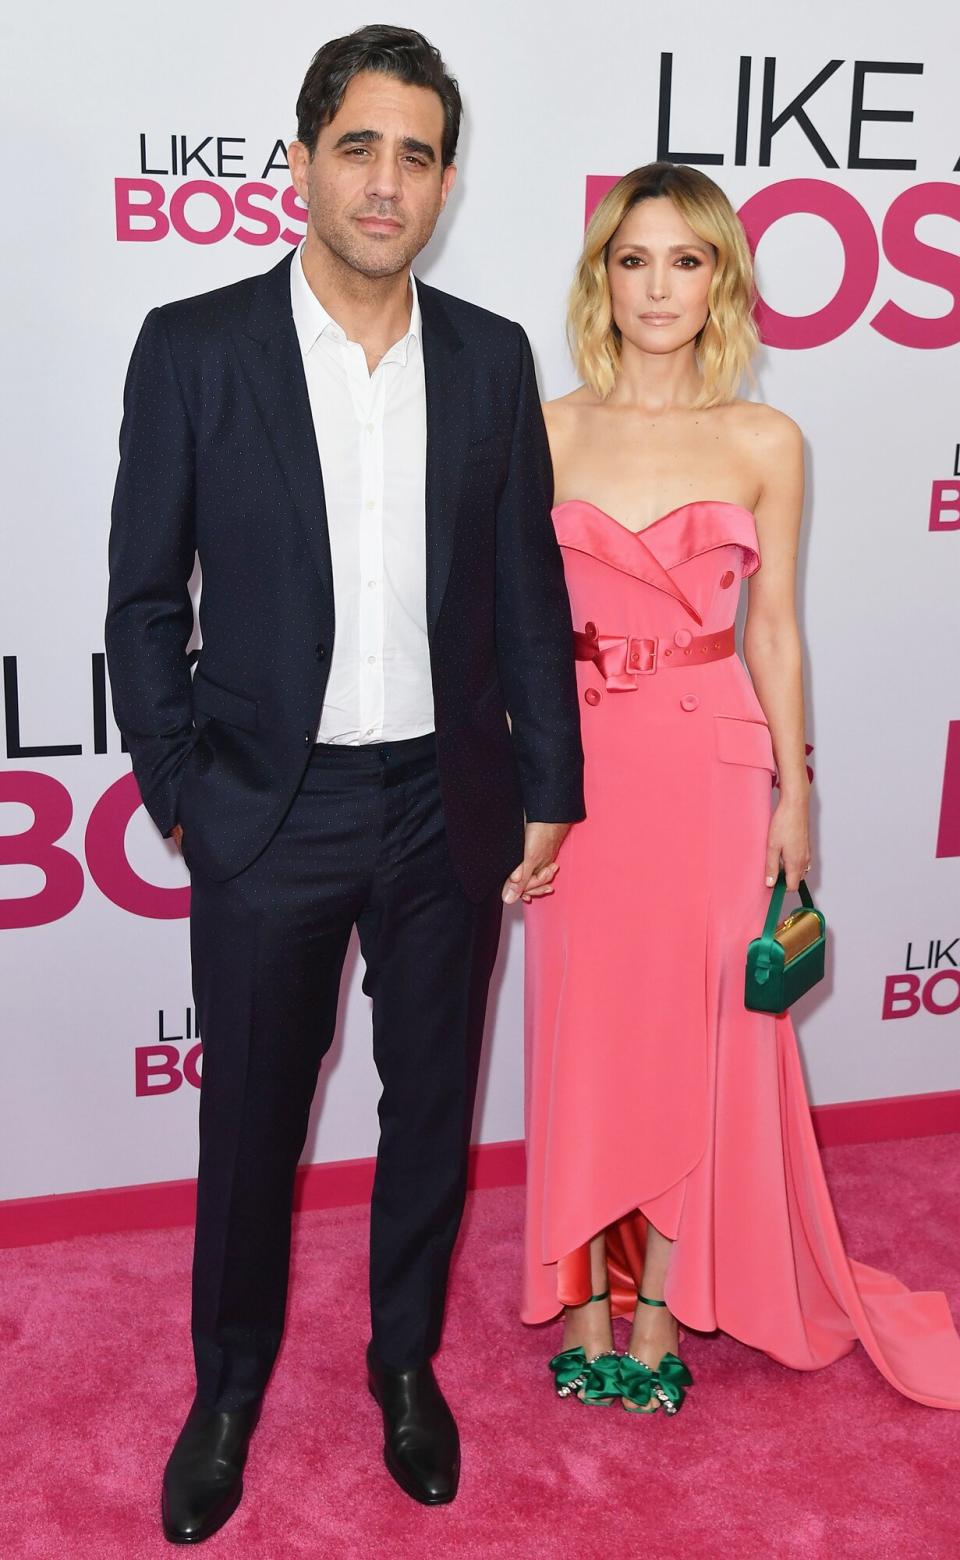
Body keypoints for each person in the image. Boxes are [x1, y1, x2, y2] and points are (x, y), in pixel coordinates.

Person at [106, 25, 584, 1541]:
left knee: (431, 1109)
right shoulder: (193, 346)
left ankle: (403, 1365)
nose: (389, 183)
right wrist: (183, 783)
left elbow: (521, 591)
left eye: (420, 154)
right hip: (267, 806)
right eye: (361, 147)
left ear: (447, 182)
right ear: (303, 159)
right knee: (248, 1121)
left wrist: (549, 784)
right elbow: (139, 600)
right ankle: (228, 1390)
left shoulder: (493, 356)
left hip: (445, 805)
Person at [522, 161, 960, 1416]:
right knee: (589, 1037)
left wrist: (796, 791)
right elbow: (509, 631)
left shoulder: (769, 439)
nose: (658, 285)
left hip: (714, 770)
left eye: (686, 259)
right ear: (602, 275)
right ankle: (590, 1300)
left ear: (723, 278)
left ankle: (659, 1305)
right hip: (584, 771)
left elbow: (775, 633)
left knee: (705, 1040)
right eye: (634, 258)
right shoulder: (544, 429)